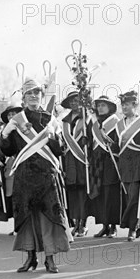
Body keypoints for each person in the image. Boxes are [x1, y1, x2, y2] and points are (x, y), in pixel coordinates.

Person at [0, 78, 70, 273]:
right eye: (29, 93)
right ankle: (30, 258)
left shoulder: (50, 119)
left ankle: (50, 258)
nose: (33, 96)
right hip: (24, 175)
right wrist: (5, 135)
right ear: (23, 97)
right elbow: (8, 151)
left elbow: (59, 150)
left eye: (36, 93)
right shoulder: (17, 120)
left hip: (47, 175)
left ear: (41, 96)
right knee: (26, 218)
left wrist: (55, 137)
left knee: (49, 218)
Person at [110, 91, 140, 242]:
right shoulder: (119, 125)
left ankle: (131, 228)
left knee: (136, 195)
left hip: (139, 161)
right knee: (130, 197)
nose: (124, 107)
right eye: (123, 105)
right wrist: (109, 143)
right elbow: (117, 146)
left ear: (135, 105)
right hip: (125, 163)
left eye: (127, 105)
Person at [88, 95, 122, 238]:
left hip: (110, 161)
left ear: (110, 108)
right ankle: (104, 225)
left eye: (104, 105)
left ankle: (113, 226)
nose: (100, 108)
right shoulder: (93, 124)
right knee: (100, 193)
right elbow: (91, 143)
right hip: (96, 162)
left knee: (111, 194)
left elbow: (120, 142)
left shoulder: (116, 122)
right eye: (99, 105)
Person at [60, 90, 90, 237]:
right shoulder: (64, 121)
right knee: (72, 191)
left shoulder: (87, 119)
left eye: (76, 100)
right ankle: (75, 222)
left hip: (82, 159)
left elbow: (93, 137)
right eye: (71, 101)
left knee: (83, 192)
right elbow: (62, 140)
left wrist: (87, 141)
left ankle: (83, 223)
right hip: (69, 159)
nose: (73, 103)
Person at [0, 106, 23, 236]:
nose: (11, 116)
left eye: (14, 114)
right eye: (9, 115)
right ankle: (16, 225)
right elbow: (1, 149)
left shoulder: (25, 129)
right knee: (12, 198)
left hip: (22, 166)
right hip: (9, 169)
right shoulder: (5, 132)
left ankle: (24, 226)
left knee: (22, 197)